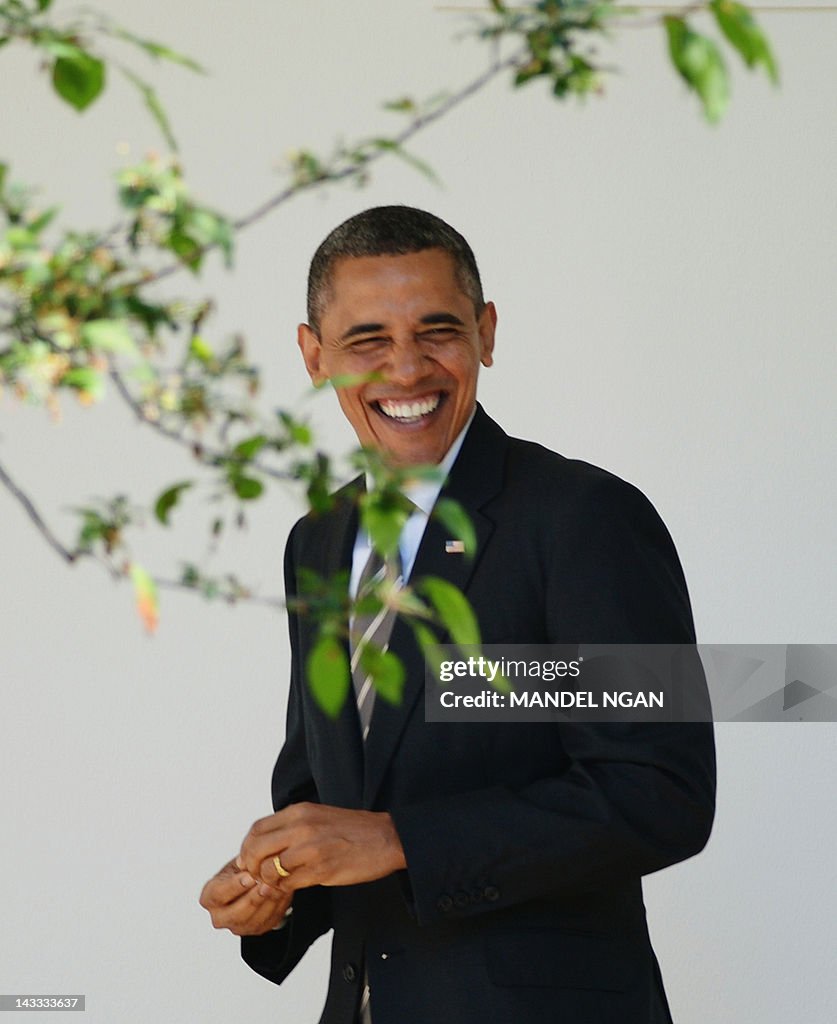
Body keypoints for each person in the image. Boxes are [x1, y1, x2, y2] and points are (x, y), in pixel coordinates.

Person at [200, 206, 716, 1024]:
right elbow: (329, 791)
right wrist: (277, 888)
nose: (405, 370)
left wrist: (400, 838)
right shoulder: (318, 543)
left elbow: (658, 792)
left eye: (436, 331)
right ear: (313, 356)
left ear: (485, 333)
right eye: (366, 340)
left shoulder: (584, 518)